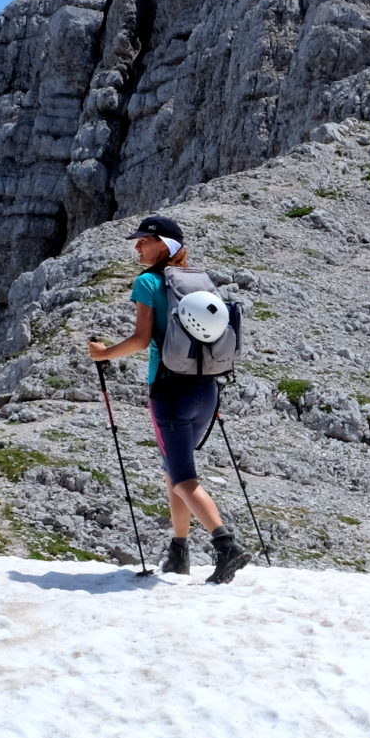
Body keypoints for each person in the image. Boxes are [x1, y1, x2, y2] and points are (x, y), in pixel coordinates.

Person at [88, 215, 252, 585]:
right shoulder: (197, 282)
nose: (137, 247)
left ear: (164, 244)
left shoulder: (147, 282)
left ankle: (226, 545)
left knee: (182, 475)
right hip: (206, 389)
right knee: (173, 470)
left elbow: (141, 340)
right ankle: (179, 551)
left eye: (144, 241)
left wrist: (103, 354)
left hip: (169, 392)